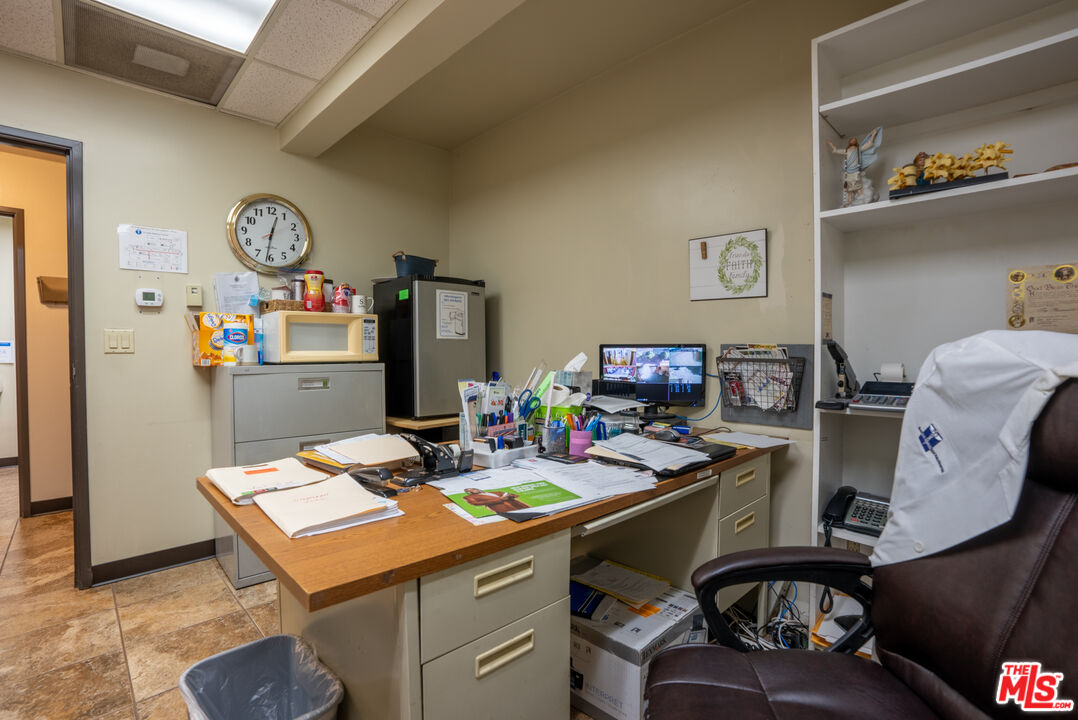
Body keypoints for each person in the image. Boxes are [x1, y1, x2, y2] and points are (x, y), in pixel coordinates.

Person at [827, 126, 882, 207]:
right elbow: (836, 150)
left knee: (858, 186)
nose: (853, 142)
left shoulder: (858, 150)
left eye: (854, 141)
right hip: (849, 172)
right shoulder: (847, 151)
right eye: (852, 141)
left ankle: (861, 197)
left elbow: (870, 144)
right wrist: (831, 144)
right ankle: (849, 201)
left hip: (856, 171)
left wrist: (873, 135)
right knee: (849, 188)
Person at [462, 488, 530, 516]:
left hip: (516, 503)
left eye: (473, 489)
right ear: (469, 493)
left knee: (530, 513)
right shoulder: (469, 497)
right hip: (501, 507)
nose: (474, 490)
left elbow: (513, 494)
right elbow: (476, 503)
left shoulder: (494, 492)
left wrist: (511, 495)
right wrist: (500, 499)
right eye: (471, 490)